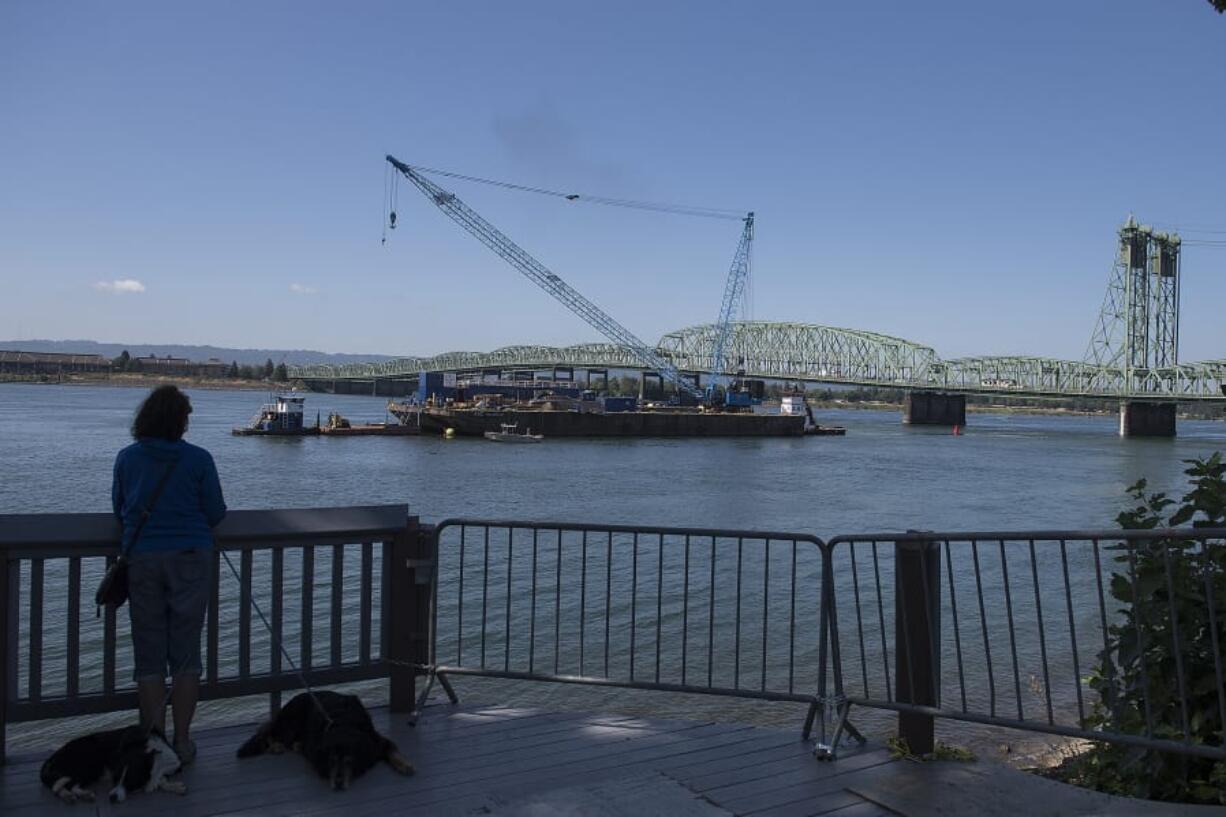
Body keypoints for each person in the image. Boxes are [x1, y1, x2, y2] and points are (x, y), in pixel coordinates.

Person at [112, 385, 226, 764]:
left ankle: (154, 744)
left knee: (148, 655)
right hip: (191, 559)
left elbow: (120, 509)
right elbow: (215, 511)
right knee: (185, 655)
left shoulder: (127, 459)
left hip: (142, 560)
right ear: (180, 421)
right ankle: (182, 741)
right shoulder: (198, 460)